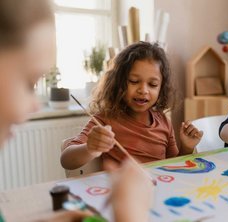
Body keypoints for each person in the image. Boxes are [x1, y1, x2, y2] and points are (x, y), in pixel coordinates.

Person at [0, 0, 152, 221]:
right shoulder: (105, 119)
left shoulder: (160, 120)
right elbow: (68, 158)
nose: (34, 105)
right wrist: (130, 214)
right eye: (28, 83)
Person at [61, 41, 203, 170]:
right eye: (134, 81)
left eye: (152, 84)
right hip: (123, 194)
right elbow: (66, 160)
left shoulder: (164, 122)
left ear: (161, 88)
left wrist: (186, 147)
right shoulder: (105, 120)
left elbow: (173, 166)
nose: (143, 90)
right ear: (119, 82)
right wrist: (89, 148)